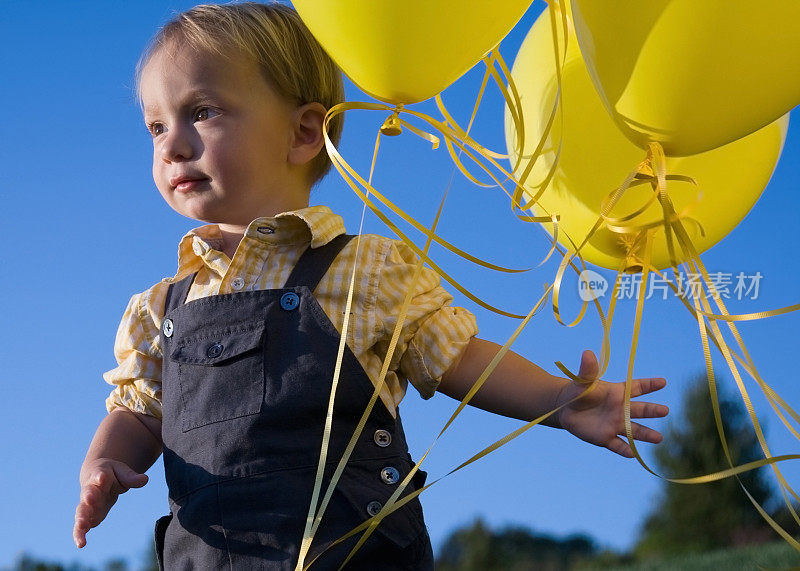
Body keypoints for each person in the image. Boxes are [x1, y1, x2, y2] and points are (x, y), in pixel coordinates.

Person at [73, 3, 669, 569]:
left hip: (359, 553)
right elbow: (141, 413)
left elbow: (459, 358)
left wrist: (558, 401)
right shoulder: (157, 310)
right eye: (156, 125)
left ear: (305, 132)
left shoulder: (367, 270)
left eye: (202, 112)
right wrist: (104, 462)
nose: (172, 143)